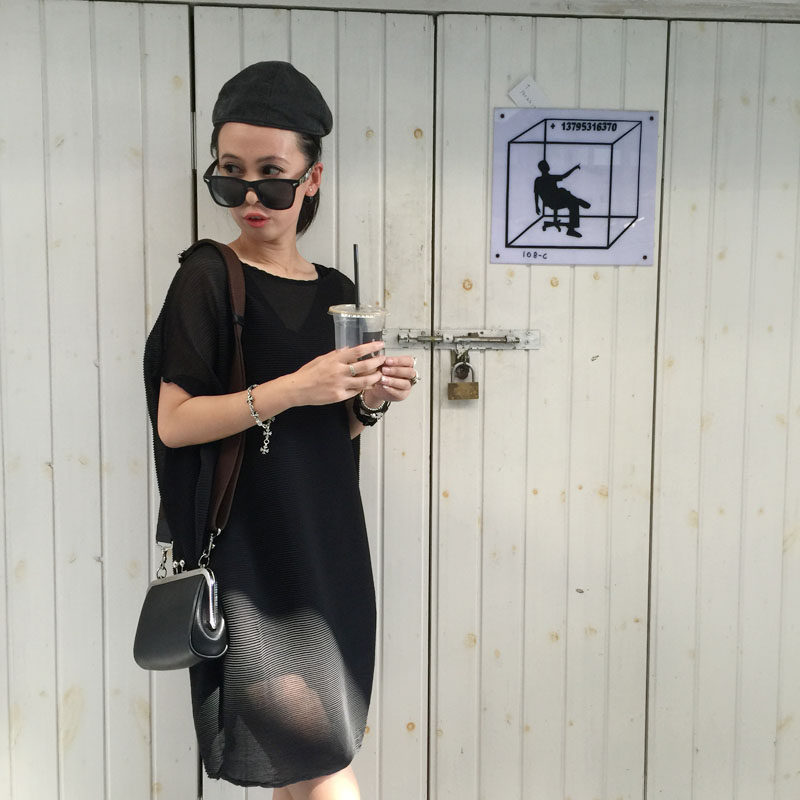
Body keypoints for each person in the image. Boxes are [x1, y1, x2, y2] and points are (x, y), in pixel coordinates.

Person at [143, 61, 418, 800]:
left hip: (328, 543)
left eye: (271, 175)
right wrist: (297, 387)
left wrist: (369, 402)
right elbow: (176, 423)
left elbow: (330, 435)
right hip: (252, 557)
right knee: (322, 759)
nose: (249, 196)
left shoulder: (337, 292)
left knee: (298, 768)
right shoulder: (207, 276)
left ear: (311, 178)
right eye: (230, 174)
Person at [534, 159, 591, 238]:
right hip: (554, 201)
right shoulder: (548, 178)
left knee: (572, 203)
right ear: (547, 167)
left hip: (555, 201)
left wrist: (536, 206)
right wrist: (574, 168)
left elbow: (536, 194)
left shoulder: (538, 180)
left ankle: (571, 230)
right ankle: (577, 201)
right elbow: (564, 176)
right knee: (563, 191)